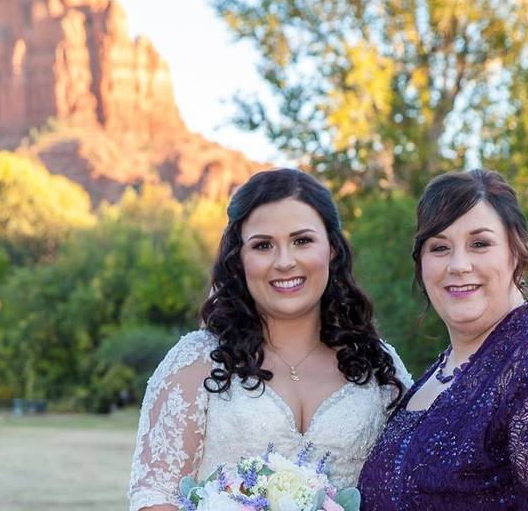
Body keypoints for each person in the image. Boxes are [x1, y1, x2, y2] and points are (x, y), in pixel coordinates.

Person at [128, 169, 411, 511]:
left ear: (332, 249)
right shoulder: (196, 363)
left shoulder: (378, 365)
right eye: (263, 245)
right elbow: (155, 495)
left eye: (302, 241)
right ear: (239, 258)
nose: (284, 261)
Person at [358, 169, 528, 511]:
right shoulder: (437, 375)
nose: (458, 265)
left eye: (480, 244)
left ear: (516, 250)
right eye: (439, 247)